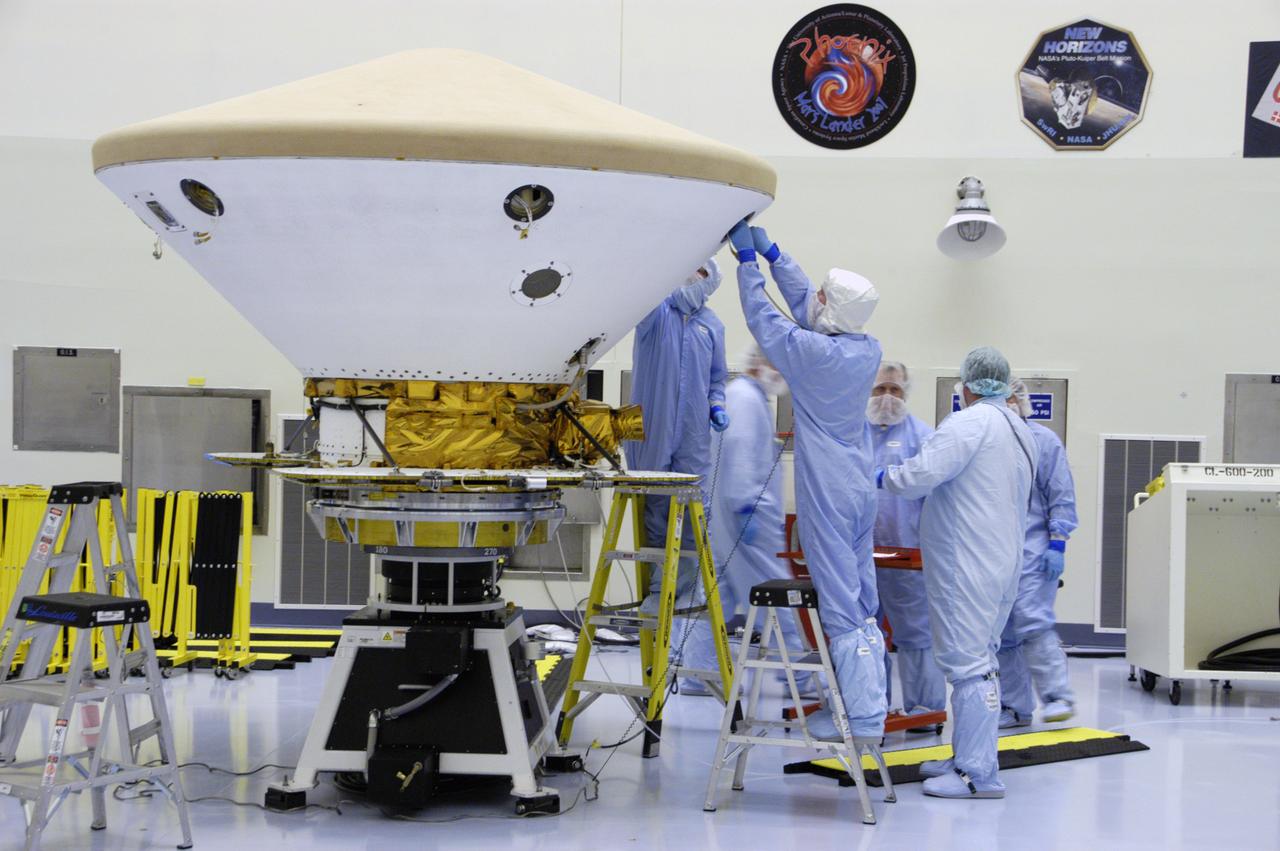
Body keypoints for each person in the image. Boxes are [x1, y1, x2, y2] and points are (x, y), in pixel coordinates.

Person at [727, 218, 886, 742]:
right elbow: (808, 308)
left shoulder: (815, 354)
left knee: (840, 605)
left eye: (821, 294)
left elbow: (764, 320)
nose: (812, 296)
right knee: (862, 600)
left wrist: (748, 266)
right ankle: (861, 705)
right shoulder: (865, 349)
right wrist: (775, 254)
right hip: (859, 485)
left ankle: (861, 721)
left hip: (831, 491)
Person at [878, 347, 1035, 799]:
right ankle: (967, 755)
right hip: (1000, 564)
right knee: (981, 661)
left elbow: (917, 477)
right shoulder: (1018, 428)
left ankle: (976, 774)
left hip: (966, 566)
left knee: (969, 668)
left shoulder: (969, 423)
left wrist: (879, 477)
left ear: (967, 386)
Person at [679, 343, 811, 696]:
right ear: (759, 362)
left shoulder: (745, 396)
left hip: (729, 518)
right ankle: (800, 678)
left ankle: (698, 673)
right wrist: (746, 507)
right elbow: (738, 456)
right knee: (777, 595)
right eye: (777, 362)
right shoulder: (747, 400)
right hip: (745, 518)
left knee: (717, 595)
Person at [626, 259, 730, 617]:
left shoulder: (712, 326)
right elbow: (638, 288)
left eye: (703, 272)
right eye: (691, 267)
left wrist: (717, 405)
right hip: (654, 426)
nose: (694, 276)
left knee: (691, 505)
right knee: (656, 507)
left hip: (692, 432)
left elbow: (717, 378)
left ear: (712, 281)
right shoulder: (656, 312)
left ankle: (686, 590)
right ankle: (658, 587)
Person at [867, 361, 947, 724]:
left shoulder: (923, 437)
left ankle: (925, 711)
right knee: (865, 635)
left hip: (907, 556)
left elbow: (936, 497)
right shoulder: (854, 434)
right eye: (879, 389)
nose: (886, 397)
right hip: (861, 557)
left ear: (906, 393)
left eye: (894, 390)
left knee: (915, 633)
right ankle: (870, 708)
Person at [996, 379, 1078, 727]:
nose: (1007, 403)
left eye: (1011, 397)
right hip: (995, 551)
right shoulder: (990, 442)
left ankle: (1058, 697)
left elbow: (1061, 494)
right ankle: (1015, 708)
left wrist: (1058, 543)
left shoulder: (1044, 441)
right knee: (1002, 634)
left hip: (1034, 549)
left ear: (1022, 401)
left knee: (1032, 619)